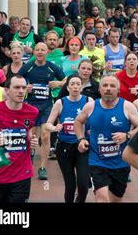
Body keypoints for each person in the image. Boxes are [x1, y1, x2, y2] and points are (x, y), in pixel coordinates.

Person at [73, 75, 138, 202]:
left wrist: (127, 135)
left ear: (118, 90)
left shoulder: (127, 106)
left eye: (112, 86)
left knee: (116, 200)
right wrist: (81, 139)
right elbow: (78, 121)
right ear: (99, 89)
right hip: (97, 162)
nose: (108, 89)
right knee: (102, 199)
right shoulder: (91, 106)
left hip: (121, 163)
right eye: (105, 86)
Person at [0, 75, 39, 203]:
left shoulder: (32, 112)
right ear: (6, 90)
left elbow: (28, 132)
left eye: (23, 87)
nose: (21, 91)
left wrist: (32, 141)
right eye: (16, 87)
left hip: (22, 172)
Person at [18, 43, 65, 180]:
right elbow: (14, 80)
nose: (39, 52)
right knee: (31, 136)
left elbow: (66, 79)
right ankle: (28, 162)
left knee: (45, 136)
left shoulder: (51, 66)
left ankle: (43, 168)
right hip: (31, 106)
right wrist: (25, 86)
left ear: (47, 52)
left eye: (42, 50)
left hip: (46, 105)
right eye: (37, 49)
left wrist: (58, 83)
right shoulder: (28, 66)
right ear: (34, 51)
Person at [45, 74, 93, 202]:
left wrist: (92, 129)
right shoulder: (60, 103)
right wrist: (54, 128)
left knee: (83, 184)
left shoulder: (89, 101)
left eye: (78, 84)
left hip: (83, 146)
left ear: (82, 86)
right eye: (72, 84)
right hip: (64, 147)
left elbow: (97, 120)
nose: (75, 87)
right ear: (67, 87)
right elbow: (48, 124)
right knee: (70, 185)